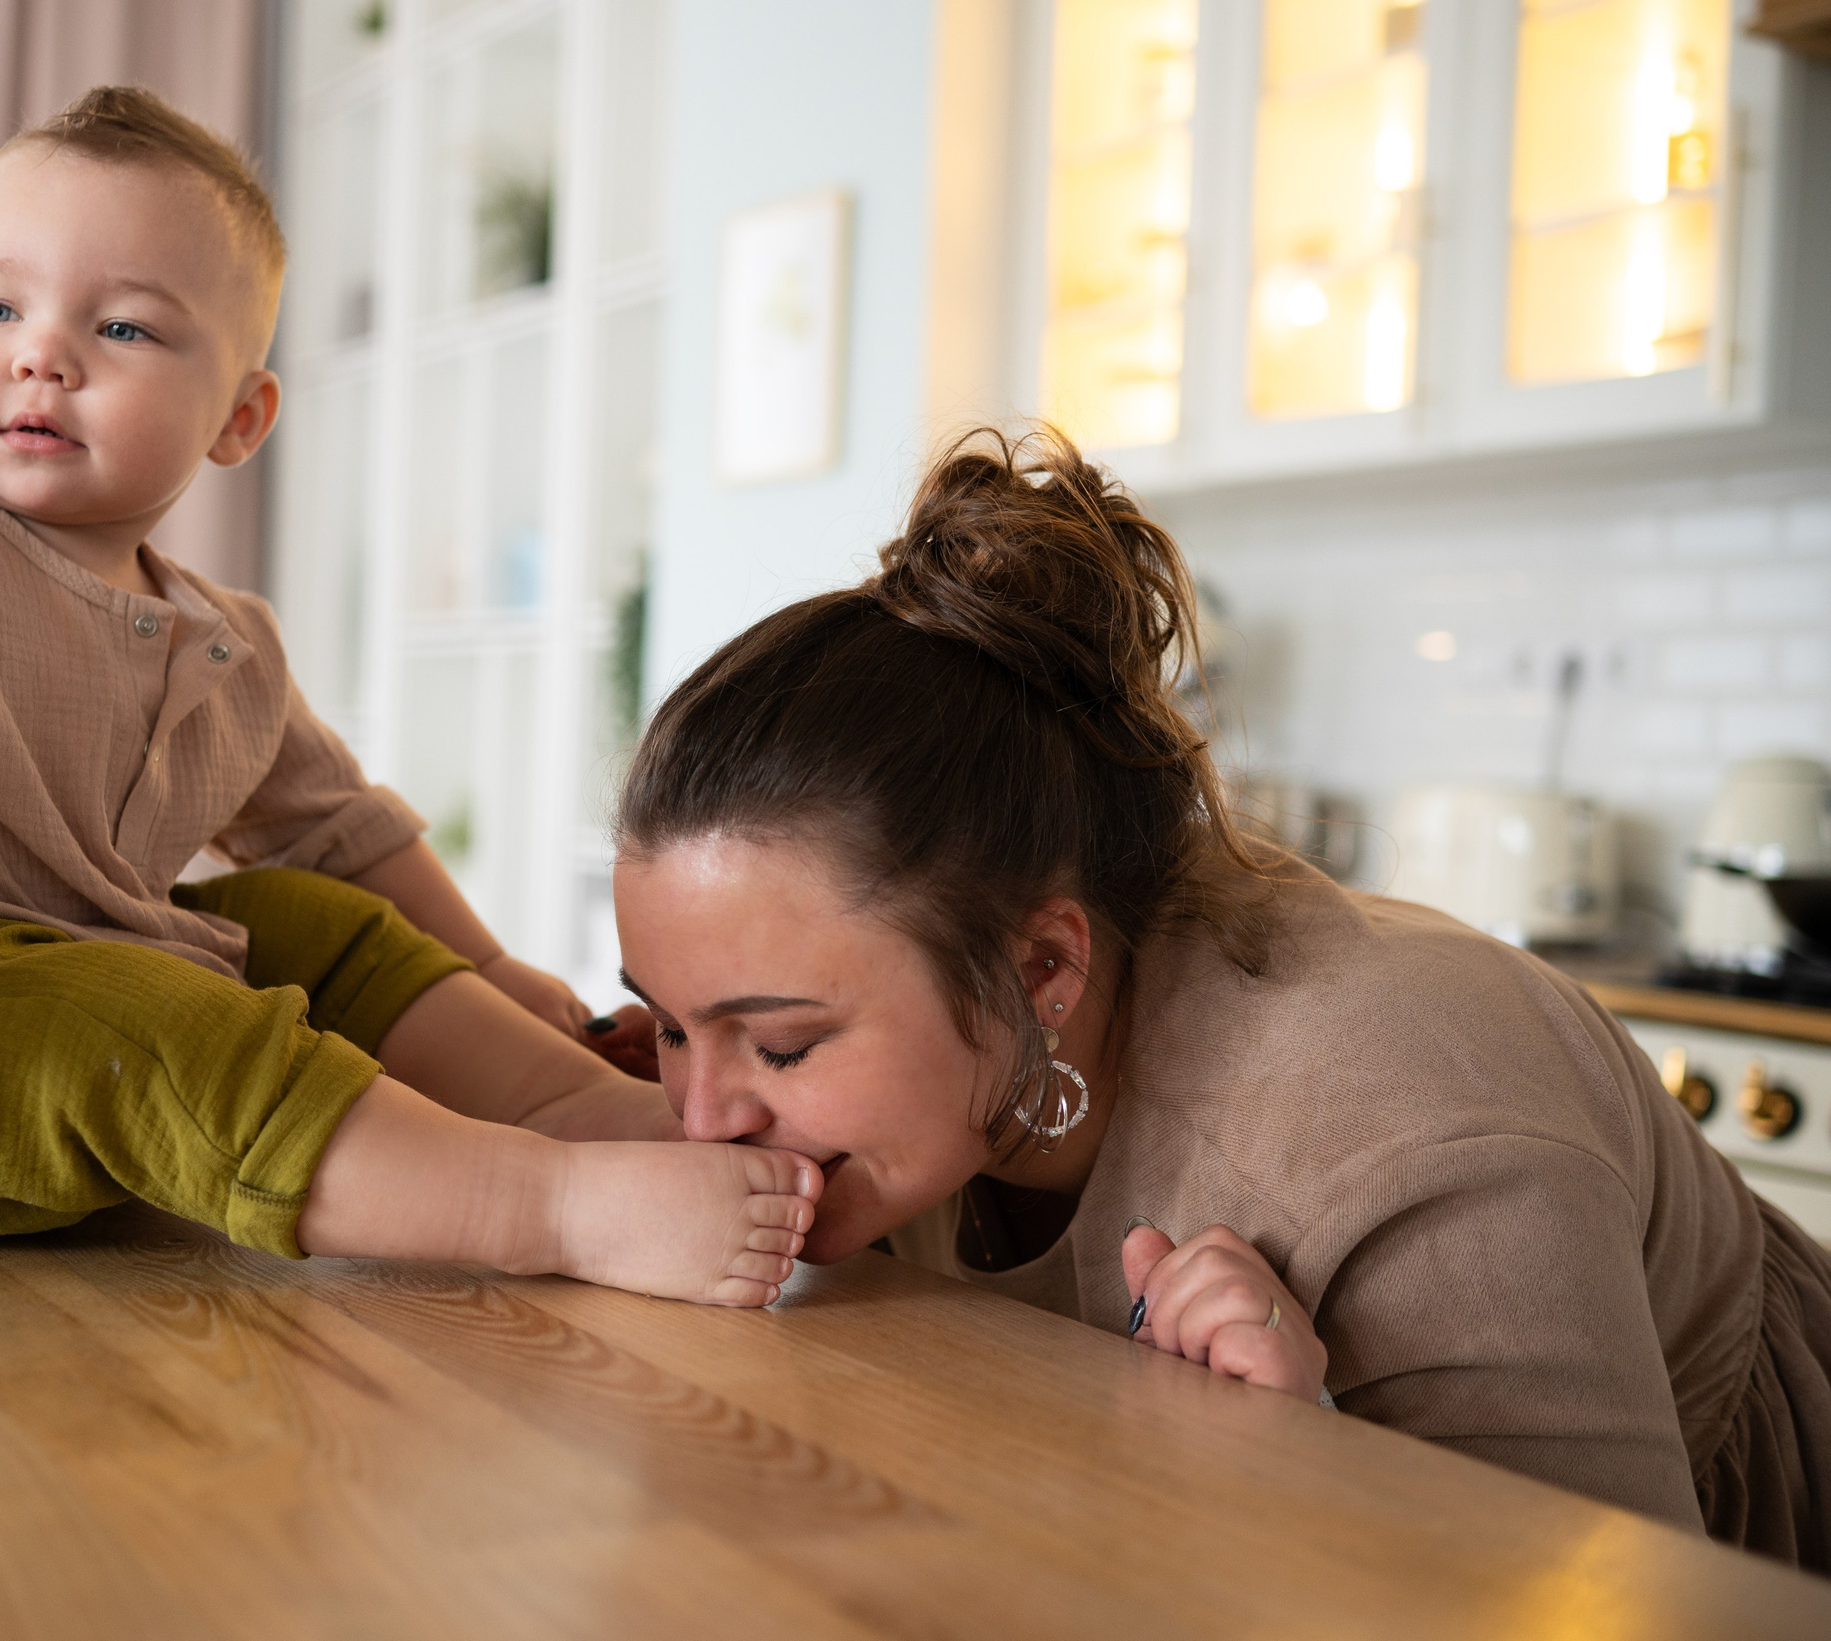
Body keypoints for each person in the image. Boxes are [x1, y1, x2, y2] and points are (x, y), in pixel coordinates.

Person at [0, 86, 817, 1308]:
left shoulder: (226, 643)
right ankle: (544, 1203)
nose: (41, 351)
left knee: (295, 914)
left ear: (239, 416)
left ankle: (584, 1112)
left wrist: (490, 969)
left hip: (94, 992)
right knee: (142, 1004)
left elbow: (345, 832)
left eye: (121, 329)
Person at [595, 423, 1831, 1568]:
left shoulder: (1402, 1126)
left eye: (781, 1044)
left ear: (1042, 970)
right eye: (667, 1025)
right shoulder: (924, 1058)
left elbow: (1597, 1598)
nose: (703, 1115)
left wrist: (1304, 1465)